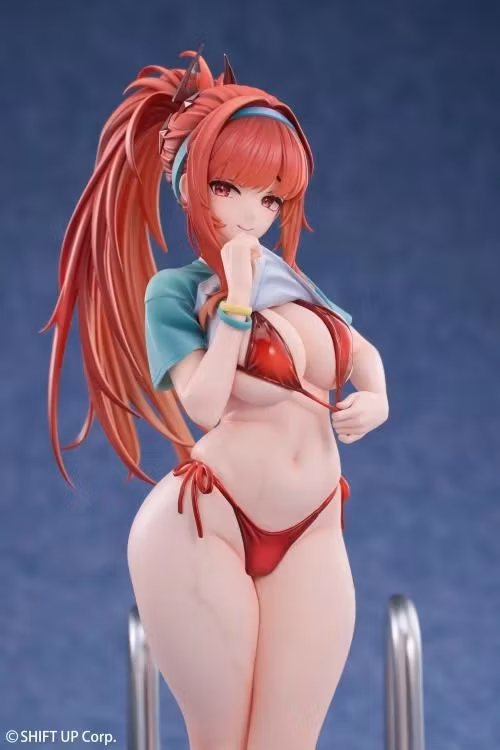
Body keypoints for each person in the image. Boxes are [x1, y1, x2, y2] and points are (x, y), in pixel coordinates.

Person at [42, 49, 389, 750]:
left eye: (271, 198)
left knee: (289, 740)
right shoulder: (176, 292)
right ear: (192, 188)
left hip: (315, 524)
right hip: (207, 522)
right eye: (229, 188)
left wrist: (376, 399)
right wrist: (234, 301)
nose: (252, 214)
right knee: (222, 738)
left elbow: (361, 353)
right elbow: (202, 404)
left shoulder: (294, 281)